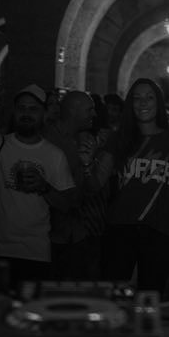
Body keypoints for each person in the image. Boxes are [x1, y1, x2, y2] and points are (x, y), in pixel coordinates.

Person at [0, 81, 77, 287]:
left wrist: (44, 187)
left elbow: (67, 204)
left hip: (36, 253)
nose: (26, 113)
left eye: (33, 109)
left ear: (43, 114)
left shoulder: (55, 155)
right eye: (22, 108)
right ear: (14, 112)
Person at [87, 78, 169, 296]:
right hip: (120, 227)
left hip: (161, 229)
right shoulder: (118, 139)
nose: (143, 103)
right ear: (130, 104)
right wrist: (87, 162)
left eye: (149, 97)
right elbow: (94, 185)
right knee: (114, 295)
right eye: (137, 98)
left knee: (151, 297)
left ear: (159, 103)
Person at [45, 90, 99, 280]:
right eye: (89, 109)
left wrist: (88, 164)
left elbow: (90, 189)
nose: (94, 114)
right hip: (50, 235)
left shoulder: (84, 140)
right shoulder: (47, 140)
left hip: (76, 233)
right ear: (74, 111)